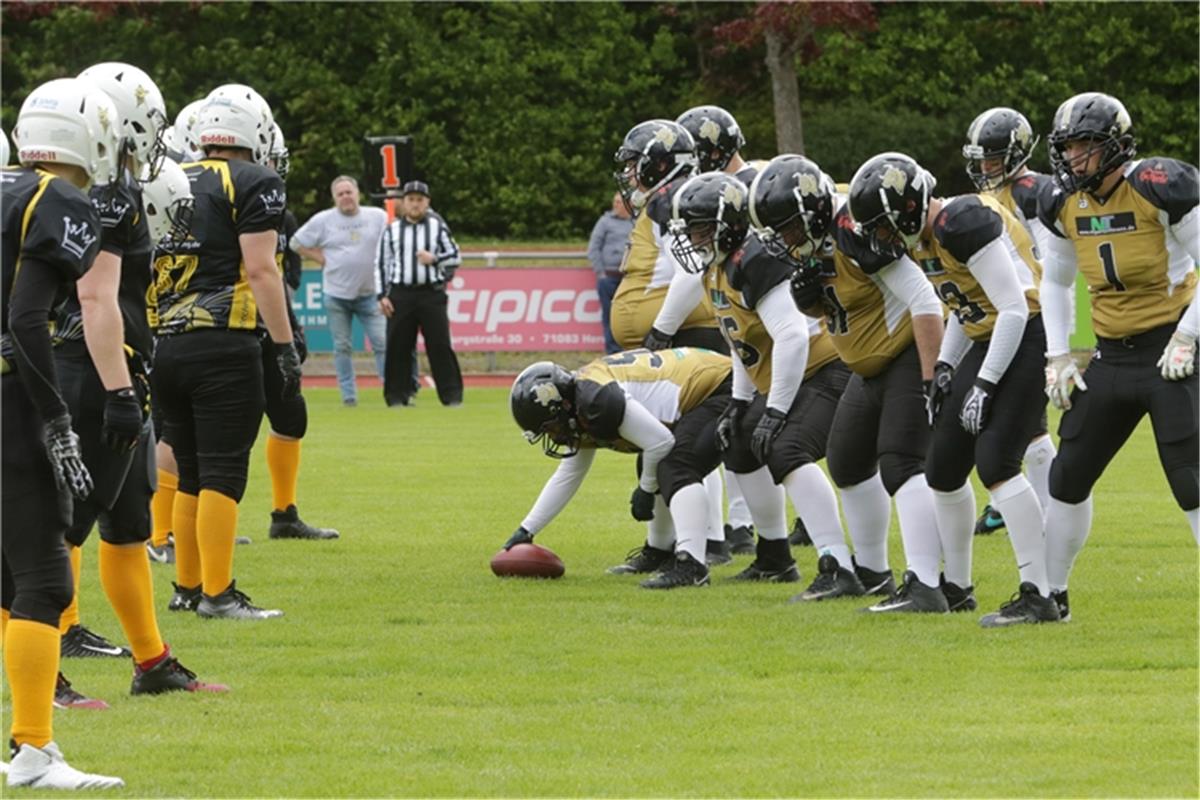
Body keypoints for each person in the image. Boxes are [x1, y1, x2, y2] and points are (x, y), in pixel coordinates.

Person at [850, 152, 1058, 627]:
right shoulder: (926, 237)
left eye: (883, 225)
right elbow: (968, 307)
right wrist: (945, 365)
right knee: (942, 467)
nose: (881, 237)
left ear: (905, 207)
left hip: (1030, 330)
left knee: (998, 462)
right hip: (991, 336)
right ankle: (957, 589)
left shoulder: (959, 221)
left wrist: (983, 383)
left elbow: (1010, 307)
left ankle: (1039, 594)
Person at [752, 154, 948, 609]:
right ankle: (872, 574)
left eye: (787, 229)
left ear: (813, 212)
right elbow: (848, 305)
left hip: (903, 353)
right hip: (865, 365)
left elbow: (924, 298)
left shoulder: (851, 229)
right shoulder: (816, 242)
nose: (783, 241)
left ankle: (925, 584)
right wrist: (813, 306)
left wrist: (932, 376)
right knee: (847, 462)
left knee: (901, 462)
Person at [2, 76, 124, 790]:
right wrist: (55, 421)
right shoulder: (60, 200)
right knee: (43, 581)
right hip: (12, 403)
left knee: (3, 578)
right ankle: (35, 752)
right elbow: (24, 322)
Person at [1038, 92, 1198, 620]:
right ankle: (1049, 596)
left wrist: (1188, 337)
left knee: (1191, 480)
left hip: (1171, 350)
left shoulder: (1156, 186)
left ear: (1114, 146)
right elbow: (1056, 284)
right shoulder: (1062, 201)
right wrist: (1059, 356)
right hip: (1110, 355)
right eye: (1068, 148)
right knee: (1068, 473)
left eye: (1085, 147)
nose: (1074, 159)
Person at [668, 170, 857, 598]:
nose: (694, 239)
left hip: (825, 368)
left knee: (785, 447)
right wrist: (739, 402)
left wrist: (774, 410)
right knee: (738, 442)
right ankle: (775, 557)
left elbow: (792, 337)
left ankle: (836, 562)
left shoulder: (754, 260)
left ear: (727, 225)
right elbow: (741, 339)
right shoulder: (719, 269)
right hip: (790, 375)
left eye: (700, 229)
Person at [153, 83, 297, 620]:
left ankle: (187, 587)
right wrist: (283, 345)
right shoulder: (257, 179)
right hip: (223, 343)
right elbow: (262, 269)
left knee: (190, 472)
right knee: (222, 473)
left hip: (167, 343)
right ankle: (218, 593)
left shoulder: (171, 178)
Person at [503, 347, 733, 588]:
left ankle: (692, 566)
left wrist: (645, 489)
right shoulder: (580, 402)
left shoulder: (596, 400)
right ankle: (659, 551)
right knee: (653, 464)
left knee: (676, 466)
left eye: (550, 428)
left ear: (562, 406)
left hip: (717, 384)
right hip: (702, 379)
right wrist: (527, 530)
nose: (553, 436)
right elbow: (569, 473)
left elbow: (661, 442)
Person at [962, 107, 1060, 536]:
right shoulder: (993, 197)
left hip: (1047, 313)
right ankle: (1026, 505)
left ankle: (1053, 507)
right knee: (1027, 420)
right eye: (981, 158)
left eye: (994, 158)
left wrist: (1073, 334)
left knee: (1038, 416)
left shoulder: (1030, 191)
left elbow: (1056, 259)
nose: (985, 167)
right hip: (1015, 314)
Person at [257, 123, 339, 541]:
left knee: (291, 414)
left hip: (260, 320)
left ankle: (284, 513)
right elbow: (257, 269)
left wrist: (287, 328)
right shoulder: (204, 195)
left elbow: (271, 269)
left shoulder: (274, 207)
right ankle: (173, 529)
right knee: (218, 434)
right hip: (220, 325)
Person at [292, 175, 389, 406]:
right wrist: (319, 257)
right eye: (340, 194)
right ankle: (349, 396)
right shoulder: (323, 220)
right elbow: (296, 243)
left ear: (358, 193)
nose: (346, 197)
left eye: (349, 192)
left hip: (370, 293)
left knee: (382, 343)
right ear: (334, 198)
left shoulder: (377, 216)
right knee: (342, 347)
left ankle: (391, 390)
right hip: (336, 294)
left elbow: (392, 239)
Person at [376, 180, 463, 407]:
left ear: (427, 202)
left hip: (431, 294)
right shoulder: (392, 229)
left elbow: (455, 255)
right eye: (411, 200)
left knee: (440, 345)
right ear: (403, 203)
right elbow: (382, 263)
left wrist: (434, 259)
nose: (415, 204)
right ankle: (397, 396)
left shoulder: (437, 226)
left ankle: (452, 396)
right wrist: (381, 295)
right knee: (398, 346)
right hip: (401, 294)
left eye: (419, 200)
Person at [586, 192, 632, 354]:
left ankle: (630, 353)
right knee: (609, 317)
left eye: (619, 202)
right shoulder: (605, 222)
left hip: (630, 279)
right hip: (609, 278)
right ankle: (613, 353)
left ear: (629, 204)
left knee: (630, 318)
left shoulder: (637, 222)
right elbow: (593, 248)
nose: (615, 205)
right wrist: (601, 273)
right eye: (615, 202)